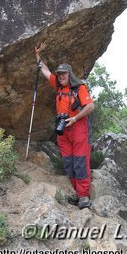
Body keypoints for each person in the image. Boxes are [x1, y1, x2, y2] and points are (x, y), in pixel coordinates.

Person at [35, 42, 94, 209]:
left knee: (80, 162)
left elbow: (90, 106)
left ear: (70, 75)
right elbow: (45, 71)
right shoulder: (58, 86)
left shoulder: (79, 88)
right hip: (63, 129)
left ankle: (84, 196)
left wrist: (74, 119)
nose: (61, 76)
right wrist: (37, 54)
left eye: (64, 74)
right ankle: (78, 192)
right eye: (59, 74)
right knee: (69, 163)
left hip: (78, 128)